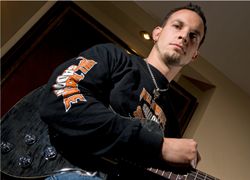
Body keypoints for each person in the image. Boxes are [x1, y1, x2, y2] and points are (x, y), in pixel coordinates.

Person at [39, 3, 207, 180]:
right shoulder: (113, 57)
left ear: (194, 54)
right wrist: (158, 145)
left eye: (193, 35)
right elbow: (61, 98)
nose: (184, 36)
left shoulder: (172, 125)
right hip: (66, 168)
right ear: (157, 33)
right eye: (177, 26)